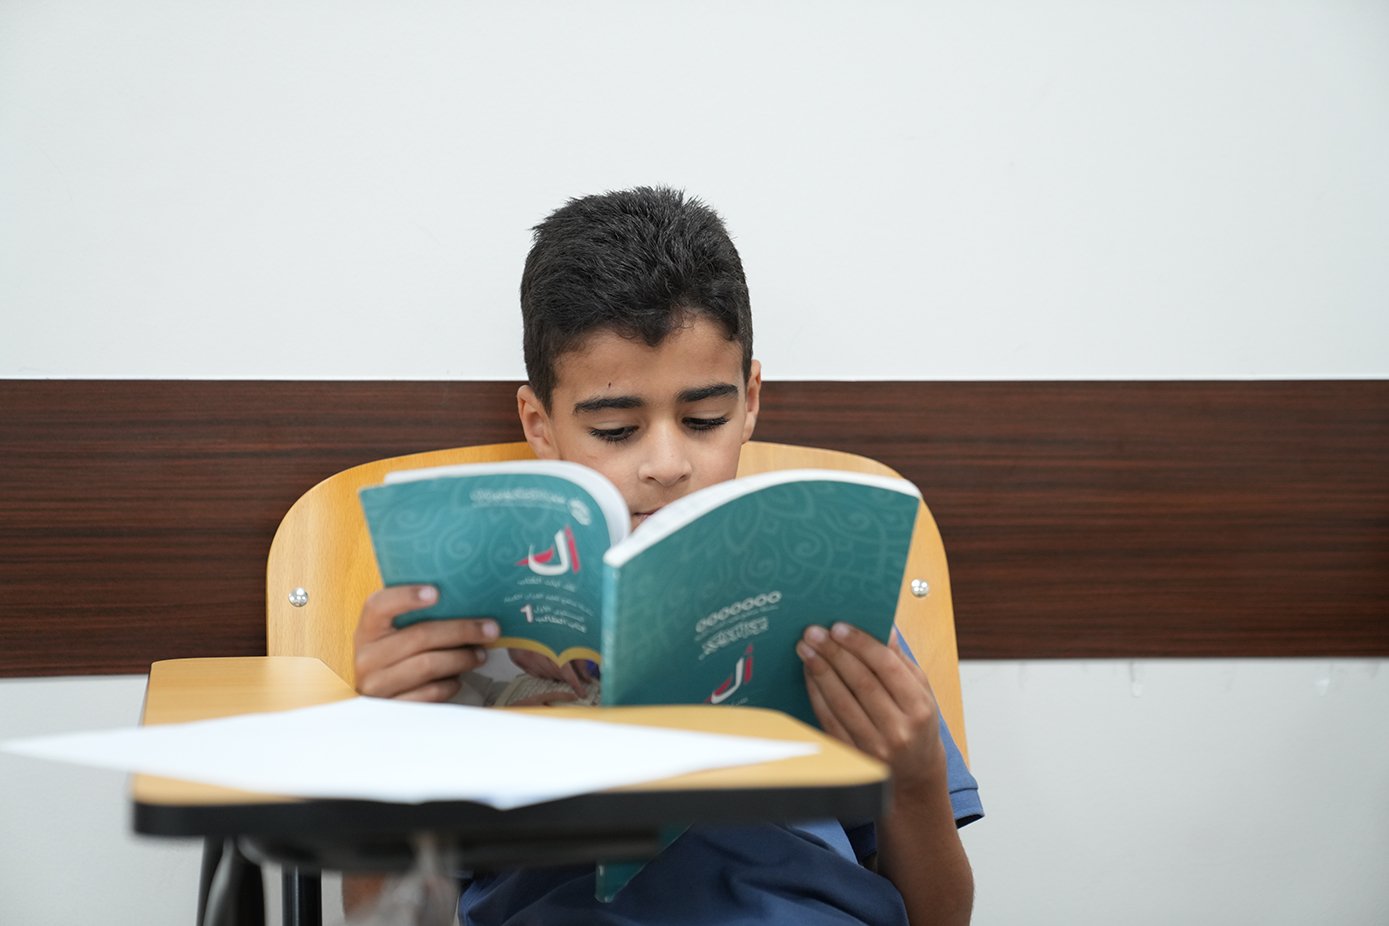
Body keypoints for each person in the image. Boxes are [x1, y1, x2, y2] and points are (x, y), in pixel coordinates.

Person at [351, 187, 982, 925]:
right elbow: (387, 918)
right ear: (540, 423)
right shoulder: (459, 636)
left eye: (703, 419)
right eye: (616, 430)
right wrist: (381, 754)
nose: (666, 465)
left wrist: (915, 778)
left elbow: (941, 917)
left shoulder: (829, 615)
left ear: (750, 399)